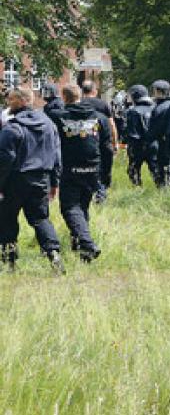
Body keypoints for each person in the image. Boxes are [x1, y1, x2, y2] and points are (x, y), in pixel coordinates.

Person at [0, 87, 64, 273]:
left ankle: (9, 261)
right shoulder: (49, 125)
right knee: (40, 219)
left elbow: (4, 159)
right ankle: (54, 255)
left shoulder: (12, 128)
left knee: (6, 219)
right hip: (41, 179)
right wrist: (54, 183)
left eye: (11, 100)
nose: (8, 103)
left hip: (15, 180)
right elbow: (56, 156)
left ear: (21, 101)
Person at [49, 84, 113, 262]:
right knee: (82, 207)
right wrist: (105, 174)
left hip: (69, 168)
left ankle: (87, 243)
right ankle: (80, 249)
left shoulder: (58, 117)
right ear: (81, 96)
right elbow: (107, 147)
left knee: (69, 207)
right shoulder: (100, 118)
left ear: (64, 97)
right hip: (93, 168)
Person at [80, 80, 115, 201]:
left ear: (82, 91)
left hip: (84, 140)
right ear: (95, 91)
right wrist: (114, 142)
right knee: (103, 167)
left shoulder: (78, 103)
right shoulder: (103, 104)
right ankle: (101, 190)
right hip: (102, 140)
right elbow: (111, 125)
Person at [124, 85, 155, 186]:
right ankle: (162, 188)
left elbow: (132, 132)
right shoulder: (154, 108)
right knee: (155, 170)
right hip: (154, 144)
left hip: (138, 146)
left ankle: (138, 188)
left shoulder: (132, 111)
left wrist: (129, 147)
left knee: (133, 171)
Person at [147, 79, 170, 187]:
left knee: (162, 169)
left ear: (159, 92)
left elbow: (154, 129)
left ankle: (163, 189)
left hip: (163, 142)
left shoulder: (158, 108)